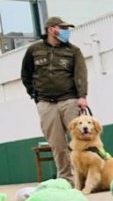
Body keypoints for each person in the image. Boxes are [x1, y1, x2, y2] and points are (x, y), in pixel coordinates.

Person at [21, 16, 89, 186]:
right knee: (57, 144)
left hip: (69, 99)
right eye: (63, 28)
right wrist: (35, 95)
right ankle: (66, 179)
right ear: (51, 29)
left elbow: (80, 74)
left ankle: (84, 177)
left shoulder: (73, 51)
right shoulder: (34, 50)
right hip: (46, 102)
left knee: (79, 139)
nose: (66, 31)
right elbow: (26, 75)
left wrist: (82, 96)